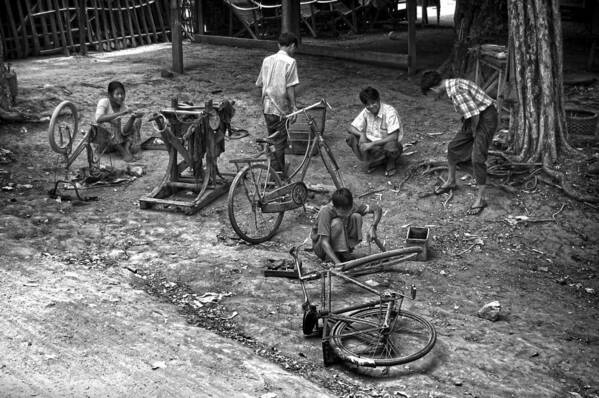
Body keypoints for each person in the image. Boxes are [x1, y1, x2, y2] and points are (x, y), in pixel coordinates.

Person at [420, 70, 498, 216]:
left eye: (431, 95)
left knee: (477, 158)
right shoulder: (452, 84)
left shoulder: (455, 90)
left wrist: (475, 134)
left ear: (433, 89)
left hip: (485, 118)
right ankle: (451, 181)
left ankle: (481, 199)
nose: (433, 98)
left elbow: (475, 115)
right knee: (453, 147)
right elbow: (471, 114)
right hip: (475, 117)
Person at [255, 32, 300, 176]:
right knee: (280, 142)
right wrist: (293, 106)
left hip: (267, 106)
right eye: (294, 48)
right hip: (280, 108)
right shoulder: (290, 62)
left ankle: (274, 168)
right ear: (292, 45)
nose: (294, 51)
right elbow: (290, 87)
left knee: (273, 138)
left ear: (278, 45)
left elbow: (259, 83)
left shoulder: (267, 60)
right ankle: (277, 175)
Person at [311, 188, 382, 264]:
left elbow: (377, 209)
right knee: (337, 223)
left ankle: (344, 253)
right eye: (343, 212)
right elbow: (324, 242)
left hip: (338, 242)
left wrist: (373, 227)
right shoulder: (325, 211)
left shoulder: (352, 205)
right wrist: (338, 263)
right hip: (321, 248)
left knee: (356, 217)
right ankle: (331, 258)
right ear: (335, 208)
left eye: (349, 210)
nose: (347, 214)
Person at [346, 87, 404, 177]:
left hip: (386, 145)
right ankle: (375, 160)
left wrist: (372, 144)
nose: (371, 106)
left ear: (378, 100)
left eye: (373, 103)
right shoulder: (366, 111)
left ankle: (390, 163)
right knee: (351, 138)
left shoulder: (389, 112)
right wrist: (361, 134)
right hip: (373, 147)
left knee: (392, 146)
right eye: (367, 104)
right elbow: (350, 128)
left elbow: (394, 136)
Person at [94, 80, 144, 162]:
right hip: (104, 143)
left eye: (122, 94)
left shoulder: (124, 107)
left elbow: (124, 131)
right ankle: (123, 151)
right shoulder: (104, 102)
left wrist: (132, 118)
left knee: (137, 120)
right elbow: (98, 118)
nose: (121, 96)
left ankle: (127, 147)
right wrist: (119, 114)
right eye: (117, 94)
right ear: (110, 95)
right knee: (109, 123)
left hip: (119, 140)